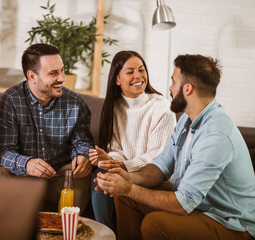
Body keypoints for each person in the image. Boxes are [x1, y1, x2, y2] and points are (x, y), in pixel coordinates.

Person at [95, 54, 255, 240]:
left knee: (154, 223)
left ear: (187, 89)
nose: (169, 87)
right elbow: (161, 166)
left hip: (231, 223)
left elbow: (183, 202)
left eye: (173, 81)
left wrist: (129, 187)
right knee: (124, 196)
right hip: (198, 207)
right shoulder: (187, 119)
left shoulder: (215, 134)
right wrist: (128, 178)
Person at [0, 43, 94, 213]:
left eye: (62, 70)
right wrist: (26, 164)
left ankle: (66, 232)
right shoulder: (10, 100)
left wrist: (82, 155)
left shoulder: (76, 103)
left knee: (82, 175)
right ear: (32, 76)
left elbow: (82, 141)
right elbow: (3, 151)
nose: (62, 78)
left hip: (60, 176)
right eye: (53, 73)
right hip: (22, 177)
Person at [88, 50, 176, 232]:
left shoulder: (162, 108)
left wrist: (123, 165)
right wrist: (110, 160)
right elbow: (115, 146)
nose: (138, 76)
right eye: (130, 72)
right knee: (99, 176)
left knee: (110, 178)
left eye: (141, 70)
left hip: (155, 176)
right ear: (117, 80)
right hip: (125, 170)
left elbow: (157, 156)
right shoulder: (114, 107)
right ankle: (107, 234)